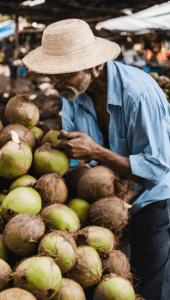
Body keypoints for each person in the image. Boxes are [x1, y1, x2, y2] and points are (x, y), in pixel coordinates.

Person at [23, 19, 170, 300]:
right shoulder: (73, 95)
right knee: (111, 284)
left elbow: (155, 169)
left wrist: (96, 152)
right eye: (52, 74)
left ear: (96, 66)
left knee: (152, 286)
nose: (55, 81)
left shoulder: (139, 94)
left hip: (151, 201)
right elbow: (80, 163)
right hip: (105, 204)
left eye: (64, 73)